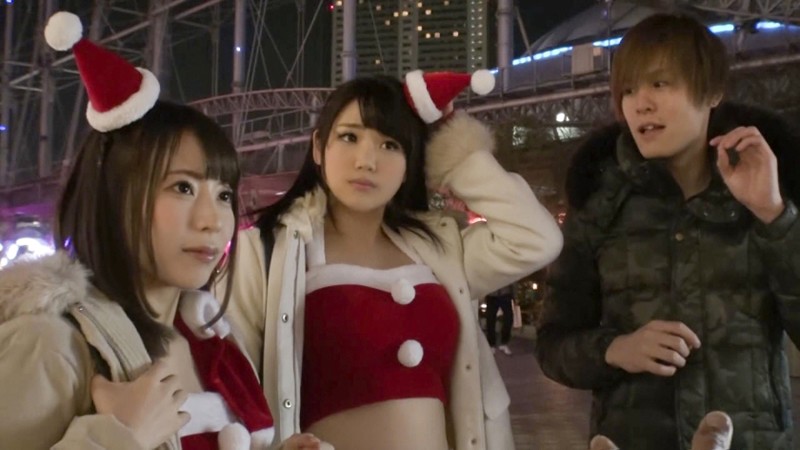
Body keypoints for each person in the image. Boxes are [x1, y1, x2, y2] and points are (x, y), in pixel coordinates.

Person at [0, 11, 321, 450]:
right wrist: (119, 437)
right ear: (114, 198)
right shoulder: (49, 344)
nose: (213, 220)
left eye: (224, 194)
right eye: (183, 188)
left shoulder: (213, 339)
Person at [215, 70, 563, 450]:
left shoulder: (438, 250)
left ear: (411, 161)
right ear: (318, 147)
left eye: (390, 145)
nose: (367, 161)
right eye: (349, 137)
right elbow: (225, 388)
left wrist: (452, 144)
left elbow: (536, 239)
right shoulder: (264, 254)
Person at [535, 12, 800, 450]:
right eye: (628, 90)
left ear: (712, 92)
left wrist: (774, 215)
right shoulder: (600, 204)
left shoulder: (767, 194)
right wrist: (616, 349)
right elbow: (552, 345)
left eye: (660, 84)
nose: (640, 103)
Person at [485, 284, 514, 355]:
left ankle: (504, 343)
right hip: (492, 294)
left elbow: (513, 280)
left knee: (508, 319)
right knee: (490, 320)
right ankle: (491, 344)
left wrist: (514, 295)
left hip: (505, 294)